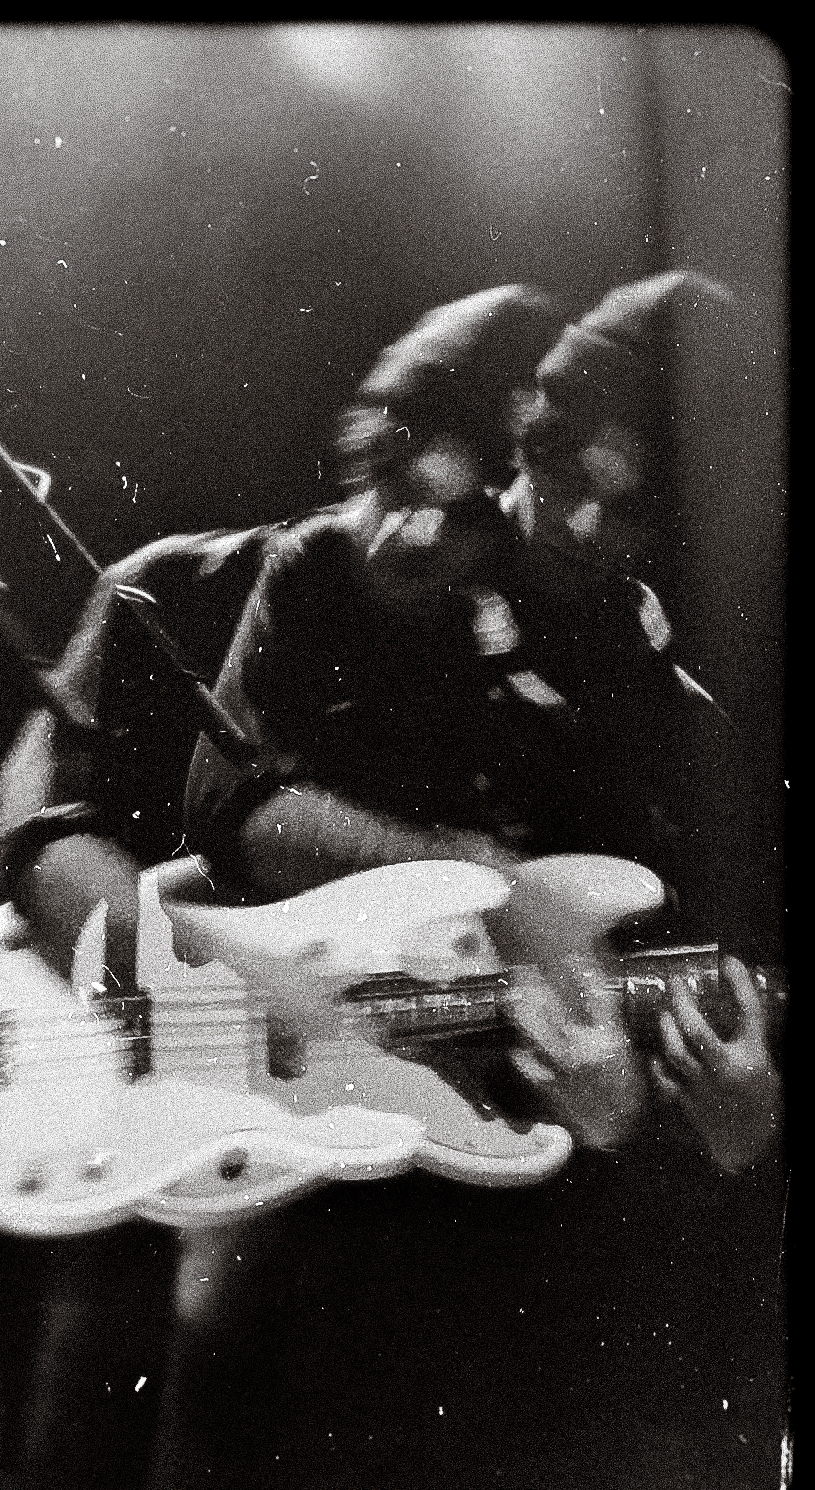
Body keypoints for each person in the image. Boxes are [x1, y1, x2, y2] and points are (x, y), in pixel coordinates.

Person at [183, 271, 782, 1171]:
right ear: (528, 429)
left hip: (490, 1141)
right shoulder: (367, 563)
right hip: (294, 1074)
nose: (581, 525)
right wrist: (483, 878)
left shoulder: (635, 654)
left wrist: (745, 1128)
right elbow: (233, 808)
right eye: (563, 469)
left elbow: (658, 943)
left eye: (629, 512)